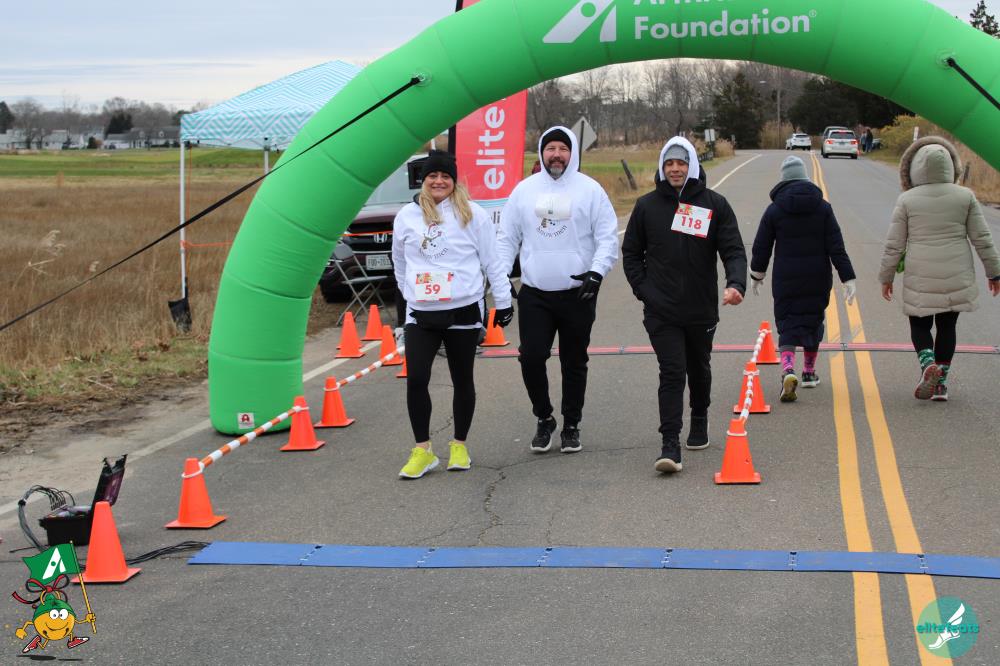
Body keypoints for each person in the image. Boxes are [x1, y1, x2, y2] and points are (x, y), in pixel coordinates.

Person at [622, 136, 747, 474]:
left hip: (700, 307)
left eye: (681, 163)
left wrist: (735, 283)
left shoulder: (714, 204)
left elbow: (733, 249)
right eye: (669, 163)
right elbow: (631, 253)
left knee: (698, 367)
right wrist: (644, 290)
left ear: (691, 165)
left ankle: (700, 416)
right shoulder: (646, 206)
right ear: (662, 167)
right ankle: (670, 444)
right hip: (661, 309)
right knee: (672, 371)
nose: (675, 169)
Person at [392, 150, 514, 478]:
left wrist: (504, 302)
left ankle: (459, 445)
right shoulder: (407, 216)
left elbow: (492, 261)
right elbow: (399, 261)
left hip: (463, 310)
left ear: (454, 181)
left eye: (445, 176)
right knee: (417, 379)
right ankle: (422, 450)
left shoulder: (472, 214)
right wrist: (410, 294)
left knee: (462, 379)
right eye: (432, 175)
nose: (438, 181)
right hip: (421, 314)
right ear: (424, 180)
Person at [497, 126, 619, 454]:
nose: (556, 155)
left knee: (573, 361)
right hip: (535, 293)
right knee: (531, 357)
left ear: (572, 153)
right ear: (541, 152)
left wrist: (597, 272)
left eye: (563, 149)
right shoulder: (523, 191)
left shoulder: (590, 190)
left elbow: (607, 237)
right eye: (550, 148)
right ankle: (544, 417)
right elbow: (506, 238)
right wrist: (501, 276)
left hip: (578, 292)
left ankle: (572, 424)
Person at [878, 136, 1000, 401]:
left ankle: (927, 364)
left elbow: (894, 244)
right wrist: (994, 272)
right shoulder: (965, 196)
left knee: (920, 324)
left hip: (920, 273)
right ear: (951, 167)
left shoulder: (907, 200)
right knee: (947, 326)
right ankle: (941, 383)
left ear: (913, 169)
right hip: (957, 271)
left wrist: (886, 277)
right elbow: (982, 238)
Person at [750, 156, 856, 403]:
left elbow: (762, 245)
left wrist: (757, 274)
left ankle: (788, 369)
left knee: (787, 323)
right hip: (817, 276)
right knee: (813, 321)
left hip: (786, 276)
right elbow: (836, 246)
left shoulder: (775, 209)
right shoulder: (823, 208)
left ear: (783, 179)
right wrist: (848, 277)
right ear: (805, 177)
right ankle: (809, 372)